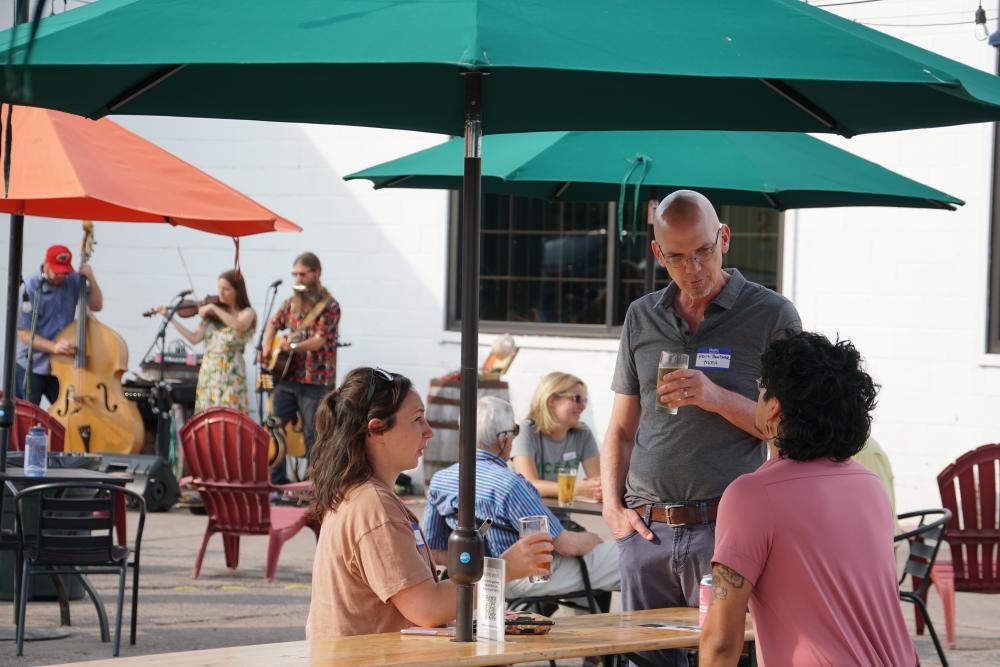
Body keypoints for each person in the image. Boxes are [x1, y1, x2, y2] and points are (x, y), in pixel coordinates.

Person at [600, 190, 801, 667]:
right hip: (646, 531)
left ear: (724, 239)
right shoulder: (640, 316)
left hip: (727, 529)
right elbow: (622, 429)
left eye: (703, 252)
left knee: (730, 658)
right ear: (657, 254)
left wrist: (715, 398)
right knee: (645, 661)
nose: (693, 268)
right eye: (677, 257)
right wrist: (612, 509)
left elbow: (791, 428)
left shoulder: (772, 315)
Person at [701, 332, 918, 666]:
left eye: (761, 387)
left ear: (774, 409)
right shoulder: (869, 485)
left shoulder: (752, 495)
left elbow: (720, 641)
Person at [305, 368, 553, 638]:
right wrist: (504, 568)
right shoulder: (373, 505)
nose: (429, 432)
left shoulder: (362, 494)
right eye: (417, 420)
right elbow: (427, 608)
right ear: (377, 430)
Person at [423, 396, 619, 604]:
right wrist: (593, 538)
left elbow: (434, 551)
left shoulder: (440, 480)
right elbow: (567, 546)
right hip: (522, 578)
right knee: (626, 556)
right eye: (515, 431)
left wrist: (478, 564)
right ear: (504, 439)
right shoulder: (511, 484)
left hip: (472, 580)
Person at [260, 252, 341, 474]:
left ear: (317, 273)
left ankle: (314, 486)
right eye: (295, 274)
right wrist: (268, 346)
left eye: (303, 274)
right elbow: (273, 324)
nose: (298, 279)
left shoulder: (330, 306)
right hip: (287, 378)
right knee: (274, 427)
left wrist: (293, 347)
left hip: (315, 380)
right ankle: (276, 481)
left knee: (314, 434)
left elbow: (319, 340)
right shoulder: (291, 303)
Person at [154, 270, 256, 413]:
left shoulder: (247, 313)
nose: (221, 293)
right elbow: (194, 338)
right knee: (207, 413)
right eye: (219, 288)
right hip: (209, 371)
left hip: (232, 370)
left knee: (230, 412)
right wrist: (170, 318)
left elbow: (238, 325)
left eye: (226, 289)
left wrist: (213, 307)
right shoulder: (211, 318)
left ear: (238, 291)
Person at [15, 244, 103, 406]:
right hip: (32, 364)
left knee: (68, 413)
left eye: (64, 272)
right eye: (57, 272)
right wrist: (53, 347)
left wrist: (90, 277)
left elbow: (96, 305)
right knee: (28, 416)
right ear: (46, 264)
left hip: (62, 365)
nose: (60, 276)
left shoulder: (72, 280)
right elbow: (23, 333)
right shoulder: (30, 288)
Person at [511, 372, 602, 501]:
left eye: (584, 400)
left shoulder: (583, 433)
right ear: (552, 400)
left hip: (561, 519)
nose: (583, 406)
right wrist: (577, 489)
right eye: (576, 399)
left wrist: (595, 488)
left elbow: (600, 486)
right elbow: (528, 485)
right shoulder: (526, 430)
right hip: (528, 518)